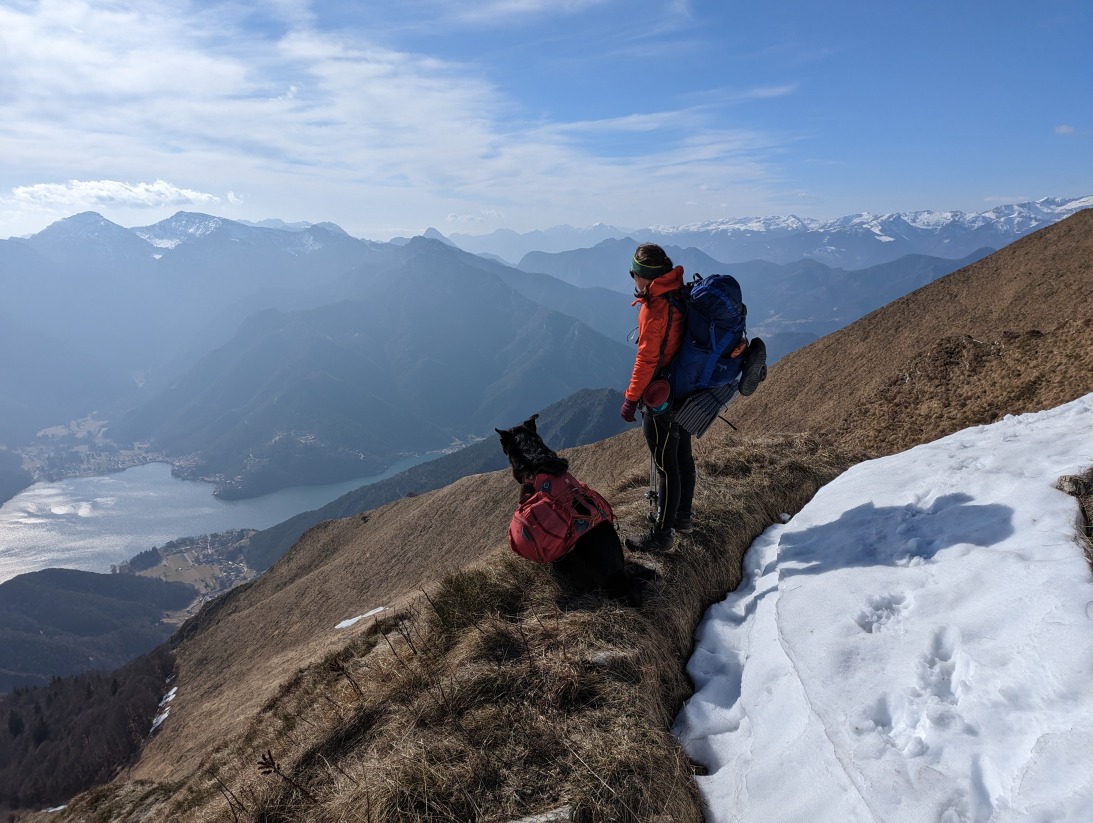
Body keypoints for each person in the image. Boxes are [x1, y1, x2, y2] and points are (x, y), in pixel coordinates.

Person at [619, 243, 695, 553]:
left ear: (646, 277)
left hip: (662, 395)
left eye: (634, 274)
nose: (632, 280)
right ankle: (682, 517)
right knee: (682, 457)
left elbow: (647, 360)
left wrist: (631, 398)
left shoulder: (655, 307)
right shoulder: (678, 292)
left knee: (665, 467)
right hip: (686, 385)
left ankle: (661, 536)